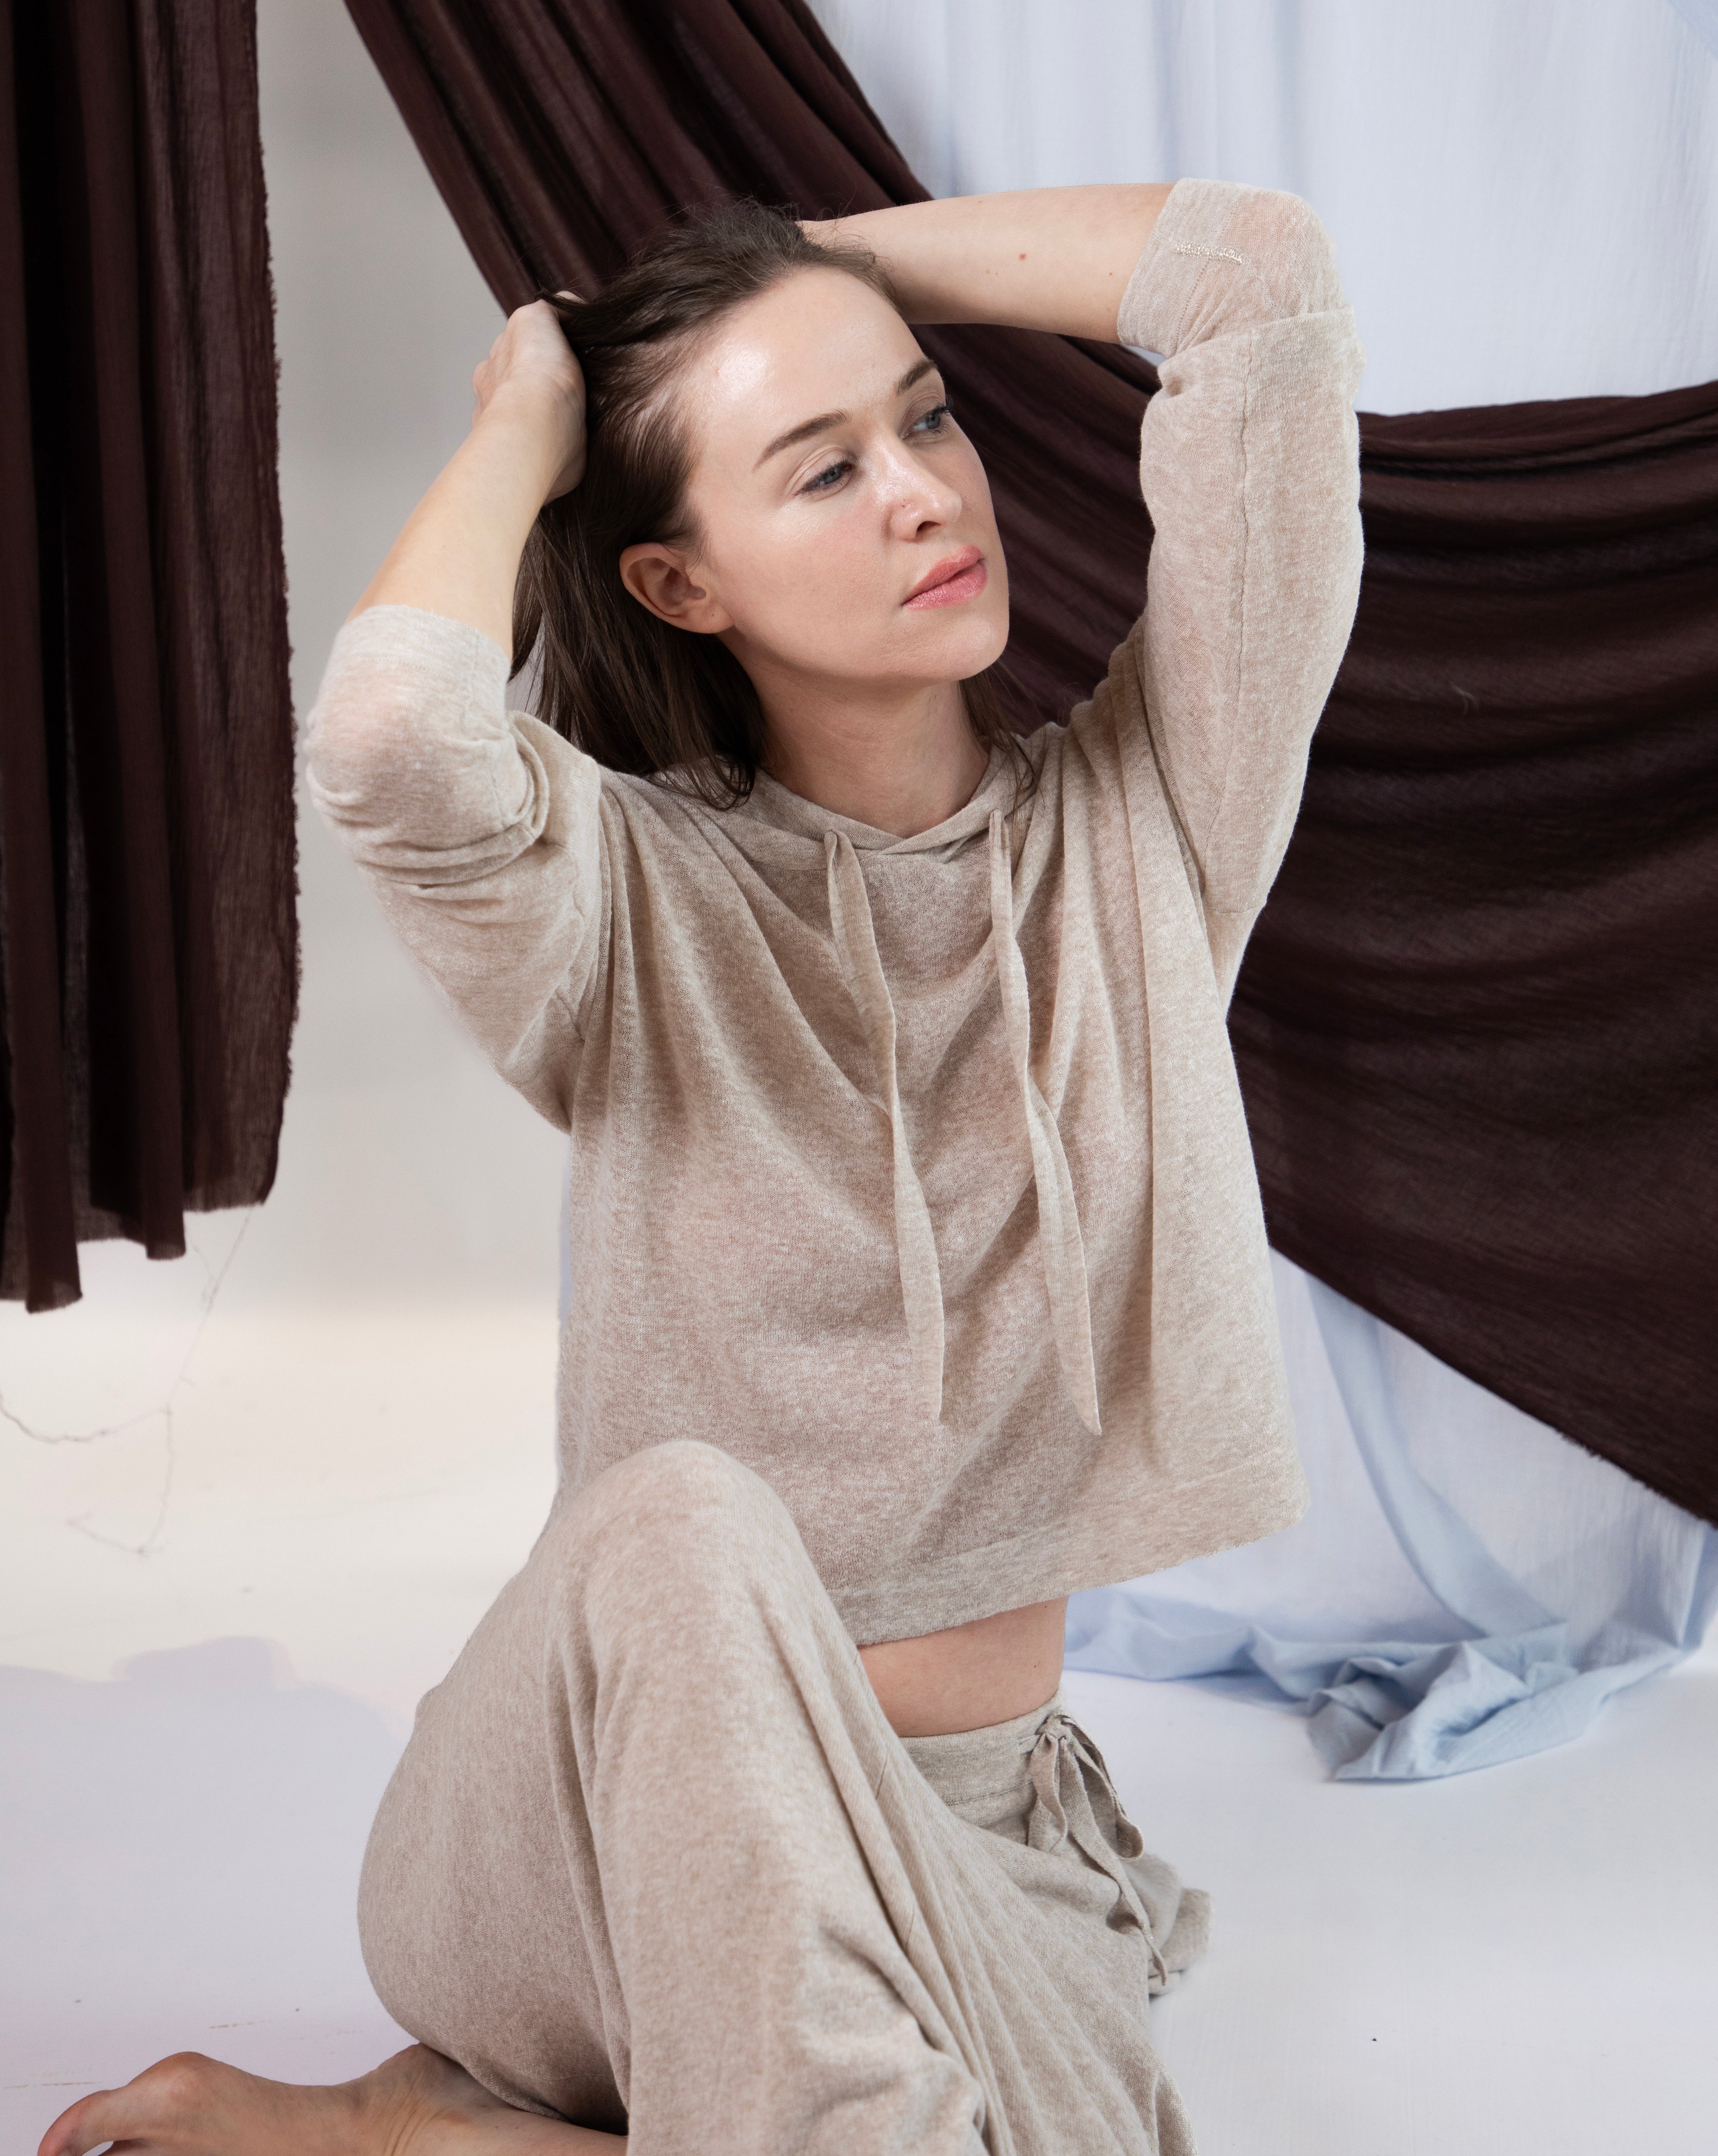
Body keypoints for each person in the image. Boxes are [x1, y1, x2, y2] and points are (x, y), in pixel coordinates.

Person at [41, 177, 1364, 2156]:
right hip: (577, 1838)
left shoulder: (1150, 833)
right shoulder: (620, 899)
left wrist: (803, 269)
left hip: (964, 1868)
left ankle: (419, 2135)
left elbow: (1256, 282)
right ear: (678, 586)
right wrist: (534, 410)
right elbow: (395, 745)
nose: (925, 493)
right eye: (822, 471)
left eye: (926, 417)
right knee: (683, 1519)